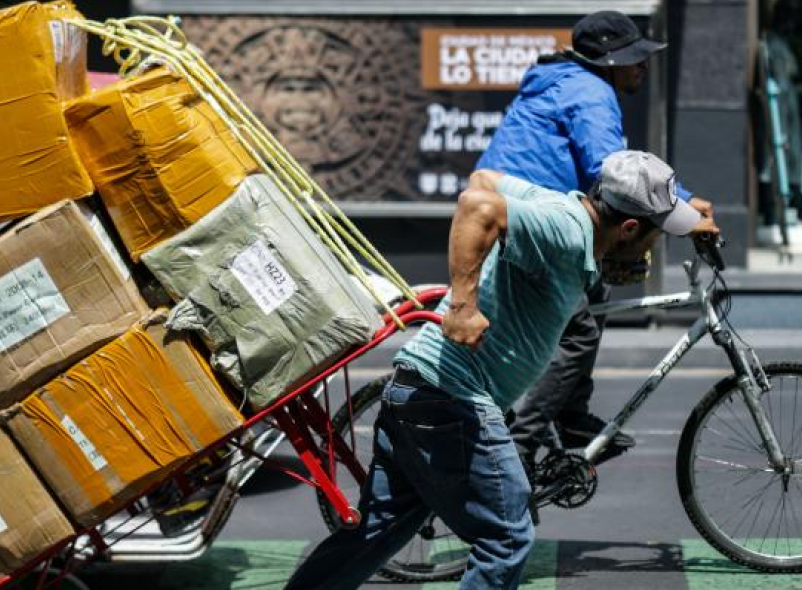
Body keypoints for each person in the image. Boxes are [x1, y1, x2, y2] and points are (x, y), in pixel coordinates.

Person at [284, 151, 714, 590]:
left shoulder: (560, 209)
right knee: (507, 536)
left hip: (417, 391)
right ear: (627, 229)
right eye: (654, 235)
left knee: (376, 531)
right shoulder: (566, 231)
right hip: (452, 397)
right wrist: (463, 306)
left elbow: (485, 176)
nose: (653, 246)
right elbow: (477, 205)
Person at [474, 10, 716, 470]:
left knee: (594, 291)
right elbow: (612, 172)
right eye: (634, 59)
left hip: (519, 213)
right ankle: (520, 449)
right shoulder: (590, 93)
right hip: (525, 221)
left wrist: (683, 201)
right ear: (607, 63)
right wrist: (681, 212)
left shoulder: (567, 80)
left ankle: (569, 414)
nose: (642, 67)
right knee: (578, 328)